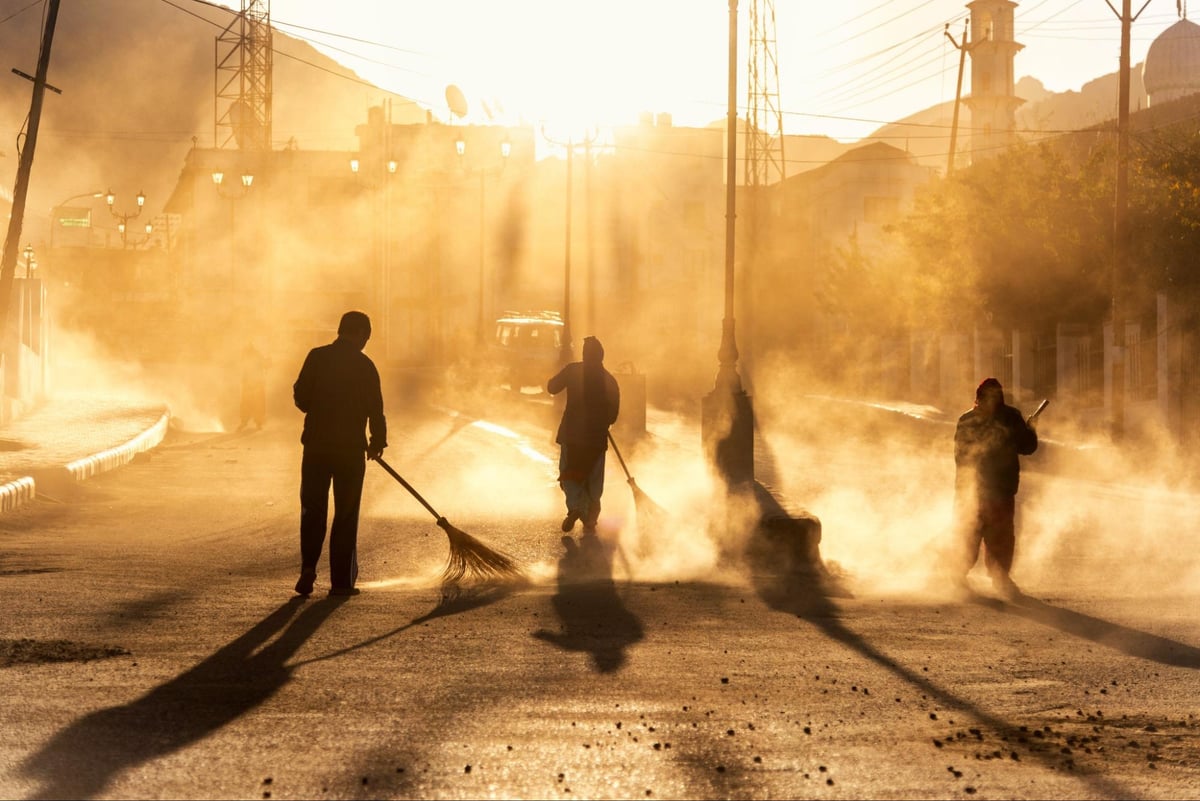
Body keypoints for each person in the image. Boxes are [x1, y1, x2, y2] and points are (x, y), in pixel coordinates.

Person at [292, 311, 387, 597]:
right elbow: (376, 409)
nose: (366, 342)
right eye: (366, 337)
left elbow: (301, 398)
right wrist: (377, 442)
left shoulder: (317, 357)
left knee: (313, 510)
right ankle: (341, 582)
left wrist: (319, 408)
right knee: (346, 513)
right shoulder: (365, 366)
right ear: (359, 334)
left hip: (316, 448)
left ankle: (308, 568)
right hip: (349, 450)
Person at [952, 377, 1038, 600]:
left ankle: (971, 576)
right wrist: (1030, 429)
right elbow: (1028, 446)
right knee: (983, 534)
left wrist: (1028, 430)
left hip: (985, 490)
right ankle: (987, 577)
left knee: (977, 533)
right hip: (989, 489)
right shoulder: (1009, 417)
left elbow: (961, 457)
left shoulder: (970, 419)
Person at [546, 336, 620, 534]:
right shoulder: (609, 379)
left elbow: (552, 387)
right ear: (601, 356)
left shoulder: (573, 371)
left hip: (572, 435)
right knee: (594, 478)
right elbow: (613, 415)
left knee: (570, 473)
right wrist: (603, 420)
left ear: (584, 355)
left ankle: (576, 507)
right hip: (596, 439)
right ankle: (591, 516)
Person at [237, 342, 269, 431]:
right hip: (251, 382)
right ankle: (248, 421)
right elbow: (265, 365)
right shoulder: (250, 355)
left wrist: (267, 362)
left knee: (255, 402)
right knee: (250, 402)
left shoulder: (255, 355)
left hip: (255, 382)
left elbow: (265, 365)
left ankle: (256, 422)